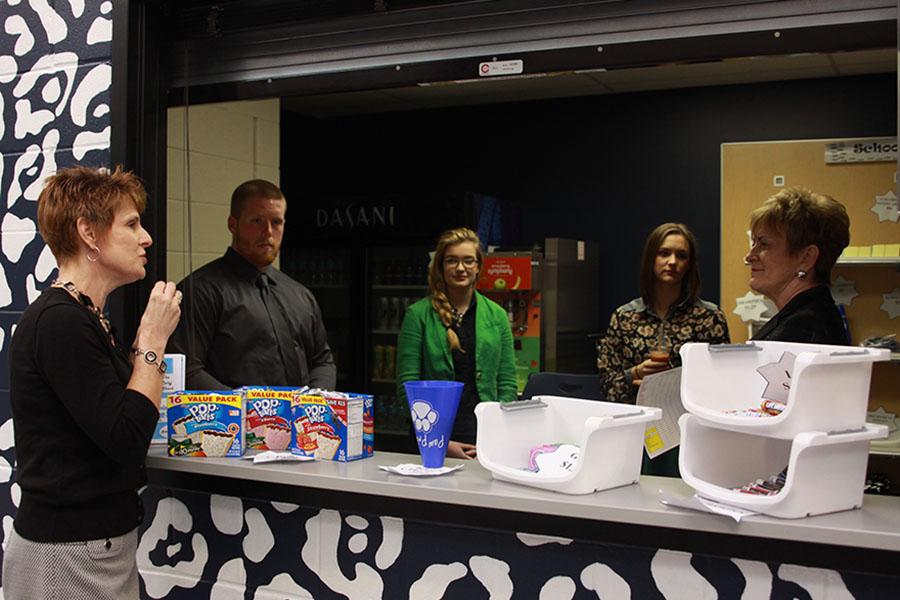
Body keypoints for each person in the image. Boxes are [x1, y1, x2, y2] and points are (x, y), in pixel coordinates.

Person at [4, 166, 181, 599]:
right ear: (88, 232)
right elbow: (125, 436)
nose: (147, 239)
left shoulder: (88, 318)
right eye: (132, 224)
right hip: (66, 553)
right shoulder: (61, 322)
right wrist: (153, 343)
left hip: (93, 548)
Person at [168, 179, 335, 390]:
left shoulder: (300, 295)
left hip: (300, 420)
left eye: (276, 222)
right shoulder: (199, 291)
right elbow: (188, 370)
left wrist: (314, 402)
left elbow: (322, 361)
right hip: (230, 420)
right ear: (233, 224)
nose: (268, 232)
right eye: (257, 221)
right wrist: (248, 412)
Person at [396, 228, 517, 459]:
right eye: (452, 261)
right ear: (441, 266)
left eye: (468, 261)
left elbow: (507, 383)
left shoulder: (497, 316)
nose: (460, 268)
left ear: (478, 266)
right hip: (432, 436)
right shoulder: (418, 315)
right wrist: (440, 441)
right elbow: (407, 386)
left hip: (484, 437)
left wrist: (496, 434)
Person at [598, 222, 730, 403]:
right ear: (651, 258)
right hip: (636, 416)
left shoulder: (709, 317)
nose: (673, 262)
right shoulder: (624, 317)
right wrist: (635, 373)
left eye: (681, 255)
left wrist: (674, 381)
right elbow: (607, 387)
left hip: (687, 418)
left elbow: (724, 384)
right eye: (664, 253)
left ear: (689, 265)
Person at [744, 188, 850, 345]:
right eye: (754, 243)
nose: (749, 257)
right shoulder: (805, 316)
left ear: (806, 258)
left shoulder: (803, 329)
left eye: (764, 244)